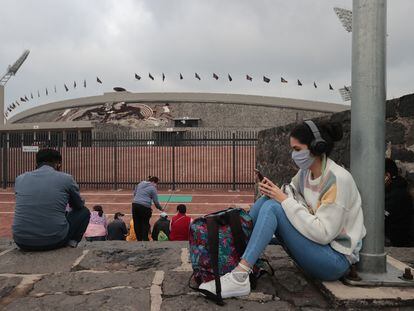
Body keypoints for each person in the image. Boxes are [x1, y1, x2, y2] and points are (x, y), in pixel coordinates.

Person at [199, 120, 366, 298]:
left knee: (273, 207)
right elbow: (288, 195)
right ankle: (233, 260)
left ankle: (239, 276)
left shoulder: (337, 180)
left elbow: (323, 233)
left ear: (316, 147)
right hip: (317, 248)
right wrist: (273, 192)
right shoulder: (305, 173)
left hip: (335, 260)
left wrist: (282, 198)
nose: (293, 155)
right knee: (266, 200)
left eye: (297, 149)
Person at [12, 148, 90, 251]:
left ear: (37, 163)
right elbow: (78, 205)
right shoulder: (66, 178)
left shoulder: (20, 179)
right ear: (58, 164)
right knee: (84, 212)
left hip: (21, 241)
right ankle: (71, 243)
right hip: (53, 241)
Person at [384, 158, 414, 247]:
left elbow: (377, 220)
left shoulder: (397, 195)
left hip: (398, 244)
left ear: (387, 176)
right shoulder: (392, 190)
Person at [132, 176, 164, 241]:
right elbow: (156, 202)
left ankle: (139, 239)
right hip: (145, 207)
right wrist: (160, 208)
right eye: (156, 183)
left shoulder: (140, 183)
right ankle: (145, 239)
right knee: (145, 223)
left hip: (135, 205)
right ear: (153, 182)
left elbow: (134, 193)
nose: (156, 185)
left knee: (136, 222)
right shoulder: (153, 188)